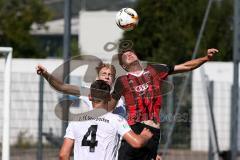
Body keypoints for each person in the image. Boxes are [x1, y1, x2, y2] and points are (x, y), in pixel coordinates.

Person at [108, 48, 219, 160]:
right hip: (134, 128)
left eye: (131, 52)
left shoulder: (155, 70)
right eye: (125, 55)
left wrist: (206, 58)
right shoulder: (121, 81)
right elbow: (109, 108)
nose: (129, 54)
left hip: (153, 130)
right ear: (124, 66)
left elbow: (186, 66)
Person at [58, 80, 153, 160]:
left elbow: (63, 155)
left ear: (90, 97)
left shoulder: (76, 120)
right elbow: (137, 142)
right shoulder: (116, 120)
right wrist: (145, 136)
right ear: (108, 97)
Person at [36, 63, 126, 116]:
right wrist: (46, 74)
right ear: (97, 77)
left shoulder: (122, 96)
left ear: (114, 79)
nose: (107, 77)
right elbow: (61, 87)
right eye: (104, 74)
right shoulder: (88, 91)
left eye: (110, 75)